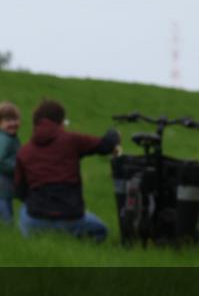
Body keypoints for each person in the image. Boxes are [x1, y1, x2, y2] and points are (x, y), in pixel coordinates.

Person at [13, 100, 119, 243]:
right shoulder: (71, 140)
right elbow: (106, 145)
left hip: (37, 219)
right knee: (101, 231)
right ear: (60, 121)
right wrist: (114, 134)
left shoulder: (23, 152)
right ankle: (74, 242)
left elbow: (19, 191)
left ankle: (35, 241)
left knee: (24, 210)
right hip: (71, 217)